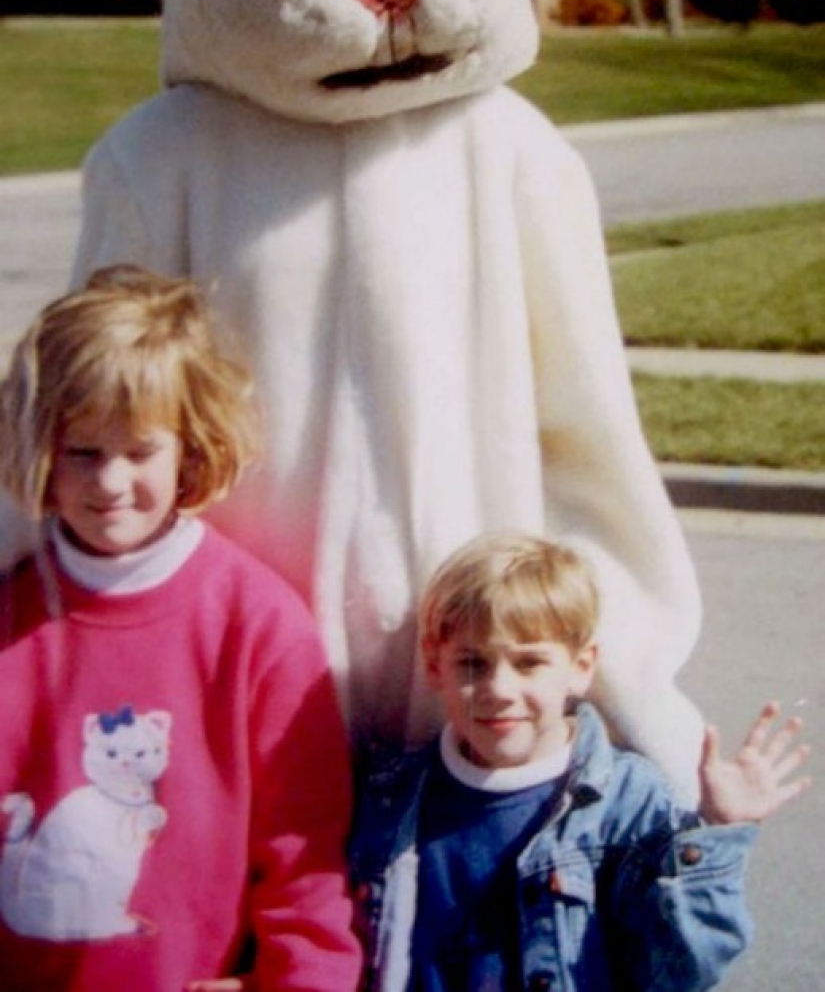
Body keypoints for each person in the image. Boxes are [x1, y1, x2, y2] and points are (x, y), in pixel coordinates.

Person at [0, 265, 361, 992]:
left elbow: (306, 861)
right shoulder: (11, 616)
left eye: (140, 452)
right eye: (83, 452)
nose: (108, 482)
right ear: (41, 447)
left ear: (190, 447)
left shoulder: (259, 626)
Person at [348, 532, 811, 992]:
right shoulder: (393, 792)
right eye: (472, 664)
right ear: (434, 666)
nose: (498, 690)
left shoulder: (627, 800)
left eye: (529, 664)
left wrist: (715, 831)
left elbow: (681, 969)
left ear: (580, 667)